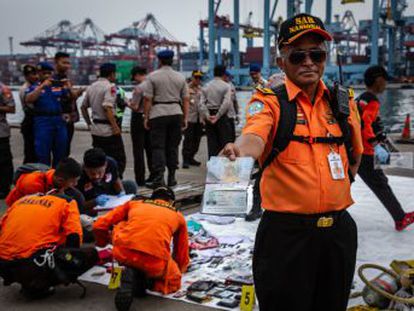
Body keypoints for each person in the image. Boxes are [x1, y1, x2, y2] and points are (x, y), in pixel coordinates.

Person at [219, 13, 363, 310]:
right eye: (298, 55)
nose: (309, 62)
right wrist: (239, 150)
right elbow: (254, 136)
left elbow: (355, 156)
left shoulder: (344, 101)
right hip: (286, 237)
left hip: (338, 234)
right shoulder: (269, 100)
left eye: (317, 54)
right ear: (282, 61)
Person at [93, 186, 189, 311]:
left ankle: (133, 274)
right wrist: (179, 269)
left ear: (152, 198)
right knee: (173, 281)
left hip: (122, 253)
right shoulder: (178, 216)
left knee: (121, 224)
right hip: (154, 262)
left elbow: (99, 225)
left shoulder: (134, 204)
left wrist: (102, 243)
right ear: (171, 202)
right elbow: (181, 250)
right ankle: (145, 282)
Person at [0, 191, 98, 299]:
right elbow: (74, 237)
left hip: (3, 263)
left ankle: (28, 279)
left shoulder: (21, 201)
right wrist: (70, 264)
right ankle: (39, 284)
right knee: (91, 253)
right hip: (31, 265)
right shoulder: (68, 203)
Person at [357, 65, 414, 231]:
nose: (386, 85)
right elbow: (365, 124)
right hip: (366, 152)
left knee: (346, 182)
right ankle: (400, 219)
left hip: (354, 149)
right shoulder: (373, 101)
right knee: (380, 184)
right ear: (378, 80)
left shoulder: (362, 98)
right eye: (385, 81)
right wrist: (376, 145)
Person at [143, 50, 190, 188]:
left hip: (158, 113)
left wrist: (146, 117)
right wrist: (185, 117)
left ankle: (159, 178)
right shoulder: (180, 77)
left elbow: (147, 99)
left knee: (158, 147)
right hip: (176, 112)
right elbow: (186, 99)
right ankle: (172, 177)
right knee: (173, 146)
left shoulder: (152, 77)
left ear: (160, 61)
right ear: (172, 60)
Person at [81, 63, 126, 178]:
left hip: (96, 129)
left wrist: (89, 124)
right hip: (108, 130)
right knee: (118, 159)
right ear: (112, 74)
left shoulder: (91, 87)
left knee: (99, 158)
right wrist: (115, 126)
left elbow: (83, 107)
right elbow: (107, 107)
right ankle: (115, 180)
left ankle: (101, 179)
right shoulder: (110, 87)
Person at [24, 62, 70, 167]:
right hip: (43, 121)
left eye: (49, 73)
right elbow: (28, 99)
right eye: (44, 73)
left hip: (58, 120)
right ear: (39, 74)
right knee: (42, 152)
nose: (47, 76)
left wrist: (68, 86)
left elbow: (69, 97)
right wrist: (42, 87)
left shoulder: (57, 86)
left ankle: (57, 177)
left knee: (61, 152)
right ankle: (43, 177)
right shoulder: (35, 87)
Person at [5, 157, 84, 212]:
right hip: (20, 208)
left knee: (77, 197)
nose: (75, 184)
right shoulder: (32, 184)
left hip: (41, 199)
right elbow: (37, 211)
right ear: (60, 180)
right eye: (73, 182)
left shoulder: (57, 178)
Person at [76, 148, 137, 215]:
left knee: (130, 185)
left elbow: (116, 178)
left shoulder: (111, 163)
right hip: (90, 199)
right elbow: (78, 204)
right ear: (85, 168)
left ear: (105, 165)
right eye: (92, 173)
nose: (96, 176)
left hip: (108, 192)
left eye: (100, 172)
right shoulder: (78, 175)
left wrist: (122, 194)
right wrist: (94, 202)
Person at [53, 52, 84, 156]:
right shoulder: (53, 80)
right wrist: (76, 93)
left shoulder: (66, 79)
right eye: (64, 63)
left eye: (68, 63)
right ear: (56, 62)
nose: (67, 66)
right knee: (60, 151)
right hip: (59, 120)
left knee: (66, 150)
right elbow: (63, 97)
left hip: (69, 120)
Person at [198, 65, 233, 158]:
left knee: (211, 142)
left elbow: (201, 104)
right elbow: (226, 103)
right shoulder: (226, 86)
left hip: (209, 115)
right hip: (221, 116)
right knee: (224, 141)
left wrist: (207, 115)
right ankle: (222, 165)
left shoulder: (206, 86)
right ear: (224, 73)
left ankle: (212, 165)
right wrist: (217, 116)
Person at [129, 66, 153, 186]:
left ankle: (140, 179)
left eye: (134, 77)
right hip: (150, 118)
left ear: (137, 75)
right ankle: (153, 176)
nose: (134, 79)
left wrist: (126, 102)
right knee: (150, 149)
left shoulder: (139, 88)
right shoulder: (151, 84)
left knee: (138, 151)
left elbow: (135, 106)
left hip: (138, 119)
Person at [182, 70, 204, 169]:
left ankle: (191, 157)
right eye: (196, 77)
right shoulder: (186, 88)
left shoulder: (201, 89)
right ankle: (185, 160)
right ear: (192, 77)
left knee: (197, 140)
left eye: (200, 78)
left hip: (199, 119)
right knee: (188, 140)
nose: (198, 80)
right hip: (190, 118)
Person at [19, 64, 39, 164]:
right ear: (26, 76)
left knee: (36, 151)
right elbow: (31, 106)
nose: (36, 77)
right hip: (29, 122)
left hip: (34, 122)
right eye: (32, 74)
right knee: (30, 152)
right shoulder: (25, 89)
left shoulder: (34, 86)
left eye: (36, 74)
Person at [0, 82, 15, 198]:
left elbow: (11, 108)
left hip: (1, 132)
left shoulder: (3, 89)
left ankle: (4, 188)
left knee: (4, 161)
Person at [223, 70, 240, 142]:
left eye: (229, 77)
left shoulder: (231, 85)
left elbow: (235, 101)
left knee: (232, 136)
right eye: (227, 77)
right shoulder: (220, 86)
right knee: (225, 136)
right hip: (223, 115)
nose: (228, 78)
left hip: (231, 114)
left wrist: (237, 114)